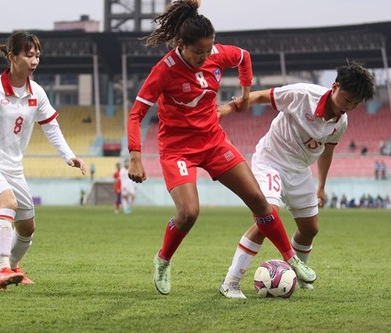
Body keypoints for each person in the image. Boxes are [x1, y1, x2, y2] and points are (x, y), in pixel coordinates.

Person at [126, 0, 315, 297]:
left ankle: (292, 259)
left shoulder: (216, 53)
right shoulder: (164, 70)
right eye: (199, 52)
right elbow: (136, 114)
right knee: (189, 213)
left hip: (213, 142)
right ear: (182, 45)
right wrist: (136, 156)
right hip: (178, 150)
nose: (206, 56)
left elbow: (244, 57)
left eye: (209, 49)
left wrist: (245, 92)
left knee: (259, 202)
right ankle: (163, 260)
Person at [217, 60, 375, 297]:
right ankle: (231, 282)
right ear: (334, 87)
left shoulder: (341, 122)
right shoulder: (302, 94)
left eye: (354, 104)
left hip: (300, 171)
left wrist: (321, 185)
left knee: (310, 228)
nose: (348, 106)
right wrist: (227, 109)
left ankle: (297, 274)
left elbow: (327, 151)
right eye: (346, 99)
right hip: (271, 161)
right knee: (268, 215)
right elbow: (261, 96)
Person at [0, 31, 86, 290]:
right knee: (7, 202)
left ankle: (14, 266)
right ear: (12, 57)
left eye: (37, 56)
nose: (34, 61)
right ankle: (2, 271)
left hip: (13, 169)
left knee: (28, 227)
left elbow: (51, 126)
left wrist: (69, 156)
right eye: (29, 55)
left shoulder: (38, 93)